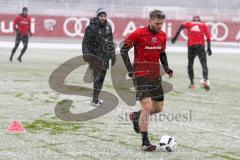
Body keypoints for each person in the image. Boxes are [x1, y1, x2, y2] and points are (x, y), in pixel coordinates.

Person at [120, 10, 173, 151]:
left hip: (155, 75)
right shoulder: (138, 33)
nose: (160, 26)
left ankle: (136, 116)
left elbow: (162, 53)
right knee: (148, 107)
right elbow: (123, 49)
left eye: (162, 23)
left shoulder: (162, 35)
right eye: (157, 23)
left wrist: (167, 68)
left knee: (158, 108)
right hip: (140, 75)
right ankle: (145, 142)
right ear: (150, 21)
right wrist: (130, 69)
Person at [82, 8, 116, 106]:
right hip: (95, 56)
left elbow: (110, 42)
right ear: (97, 16)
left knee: (101, 79)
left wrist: (113, 55)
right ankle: (95, 99)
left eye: (104, 15)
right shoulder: (91, 27)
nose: (103, 17)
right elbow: (85, 42)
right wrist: (86, 54)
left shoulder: (108, 27)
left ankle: (95, 98)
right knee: (98, 77)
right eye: (101, 15)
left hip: (105, 56)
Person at [172, 16, 212, 90]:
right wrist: (209, 48)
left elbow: (181, 26)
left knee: (190, 64)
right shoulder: (203, 25)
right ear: (200, 20)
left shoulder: (189, 24)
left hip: (191, 46)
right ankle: (205, 81)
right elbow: (208, 37)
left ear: (193, 20)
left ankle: (192, 83)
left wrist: (175, 37)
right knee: (204, 64)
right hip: (200, 46)